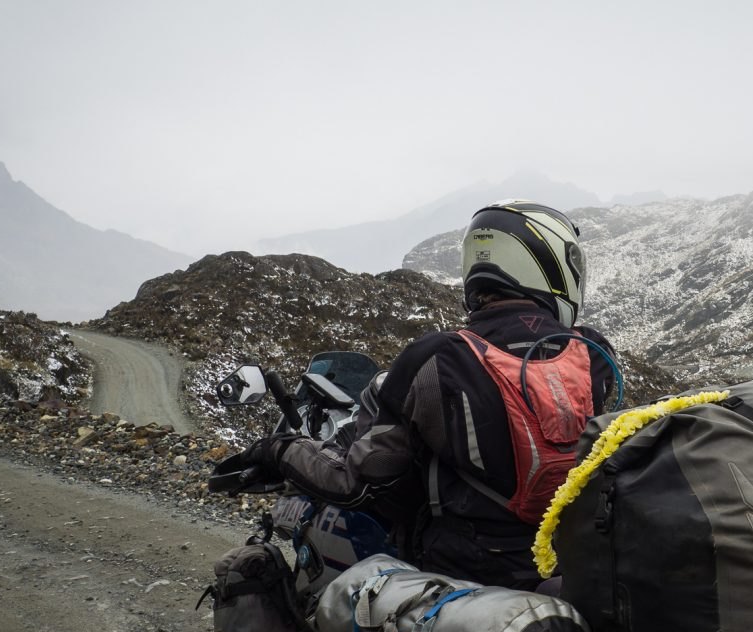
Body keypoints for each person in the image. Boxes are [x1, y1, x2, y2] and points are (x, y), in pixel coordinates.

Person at [240, 200, 619, 589]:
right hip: (566, 566)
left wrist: (277, 450)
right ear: (551, 265)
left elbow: (359, 483)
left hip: (463, 580)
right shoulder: (592, 354)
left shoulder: (437, 358)